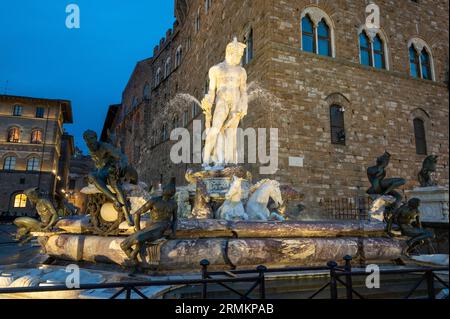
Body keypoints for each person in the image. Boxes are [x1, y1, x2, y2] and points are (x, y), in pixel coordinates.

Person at [201, 37, 248, 167]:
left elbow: (243, 91)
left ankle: (229, 162)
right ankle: (205, 160)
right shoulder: (216, 69)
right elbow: (211, 91)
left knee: (232, 132)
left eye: (241, 55)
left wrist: (244, 105)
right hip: (222, 101)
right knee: (215, 128)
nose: (239, 57)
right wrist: (208, 101)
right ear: (229, 52)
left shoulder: (242, 71)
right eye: (238, 54)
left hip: (236, 102)